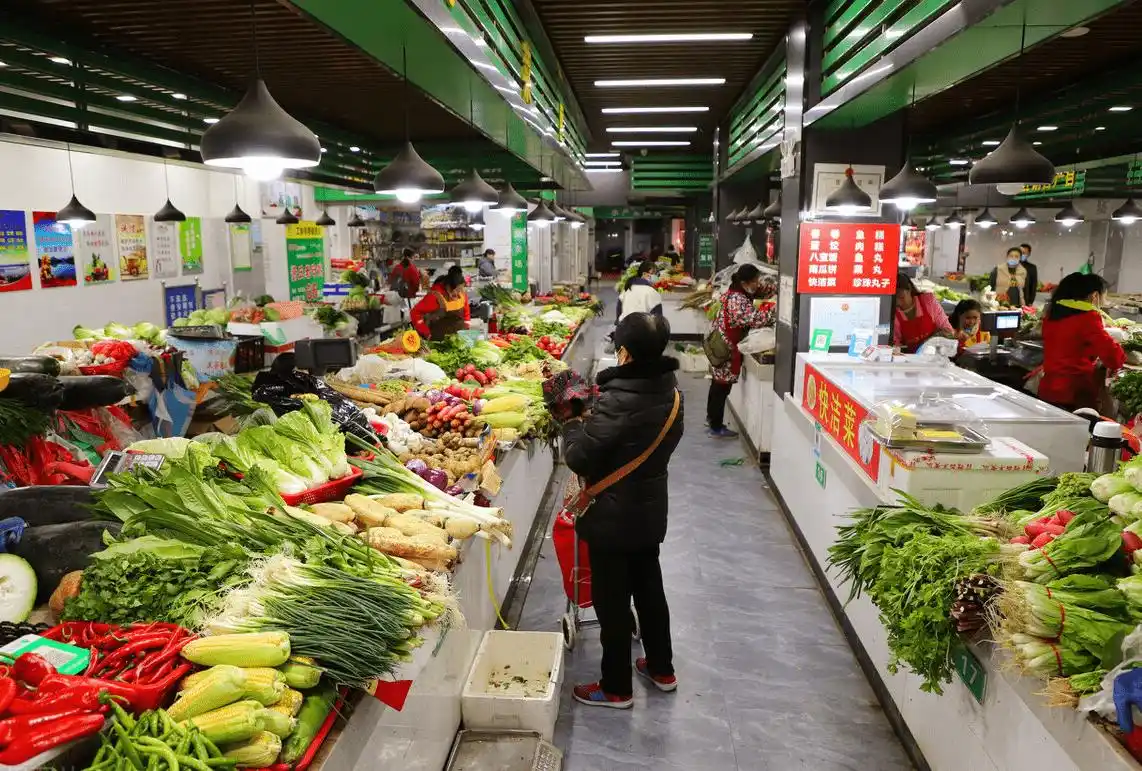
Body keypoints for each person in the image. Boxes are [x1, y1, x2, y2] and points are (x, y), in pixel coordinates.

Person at [562, 312, 684, 709]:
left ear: (626, 353)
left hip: (612, 516)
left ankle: (615, 687)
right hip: (650, 511)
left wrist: (573, 422)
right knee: (650, 588)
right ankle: (661, 668)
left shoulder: (617, 400)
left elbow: (580, 457)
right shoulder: (673, 393)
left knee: (612, 601)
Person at [1038, 272, 1124, 412]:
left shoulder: (1053, 314)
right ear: (1094, 296)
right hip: (1074, 393)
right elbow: (1112, 356)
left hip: (1048, 388)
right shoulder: (1088, 317)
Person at [707, 264, 773, 438]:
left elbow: (760, 293)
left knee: (717, 384)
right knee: (721, 388)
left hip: (722, 344)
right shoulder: (737, 298)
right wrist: (772, 314)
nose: (757, 284)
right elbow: (749, 319)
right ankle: (716, 426)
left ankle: (711, 419)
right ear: (745, 282)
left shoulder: (738, 292)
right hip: (726, 348)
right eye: (755, 281)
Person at [893, 273, 954, 353]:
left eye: (900, 295)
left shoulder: (928, 301)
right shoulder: (894, 314)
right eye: (894, 297)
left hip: (935, 355)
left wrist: (929, 341)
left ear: (909, 288)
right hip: (912, 358)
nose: (898, 301)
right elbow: (895, 344)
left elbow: (948, 331)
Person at [409, 271, 469, 339]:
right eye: (457, 290)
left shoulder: (462, 294)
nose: (458, 293)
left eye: (461, 289)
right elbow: (414, 313)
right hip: (437, 341)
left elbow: (466, 310)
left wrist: (467, 324)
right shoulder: (434, 297)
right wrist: (425, 331)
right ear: (448, 287)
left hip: (458, 339)